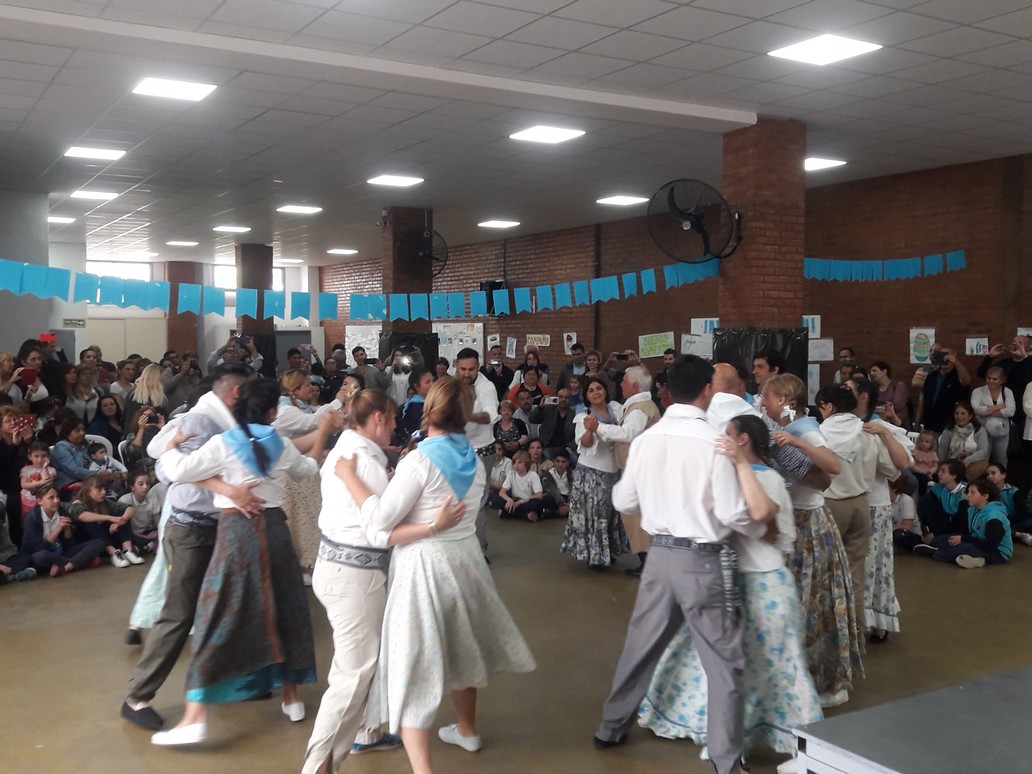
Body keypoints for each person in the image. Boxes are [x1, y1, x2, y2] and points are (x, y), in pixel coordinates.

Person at [335, 375, 536, 773]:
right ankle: (466, 729)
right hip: (466, 561)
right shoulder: (475, 460)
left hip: (423, 567)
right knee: (462, 647)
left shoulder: (419, 461)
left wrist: (349, 477)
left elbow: (380, 522)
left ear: (429, 410)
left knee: (413, 665)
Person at [593, 355, 772, 774]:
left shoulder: (648, 439)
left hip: (659, 558)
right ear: (708, 389)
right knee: (723, 663)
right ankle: (727, 760)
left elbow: (624, 501)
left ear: (668, 390)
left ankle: (610, 727)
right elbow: (731, 512)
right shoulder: (714, 443)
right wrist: (757, 523)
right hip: (703, 562)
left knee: (641, 645)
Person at [148, 378, 332, 746]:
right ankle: (292, 697)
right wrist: (323, 433)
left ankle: (195, 715)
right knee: (285, 608)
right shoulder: (280, 442)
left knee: (217, 613)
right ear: (272, 412)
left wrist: (169, 447)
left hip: (237, 533)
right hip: (276, 531)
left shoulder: (223, 443)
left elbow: (179, 471)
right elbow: (308, 471)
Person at [638, 414, 821, 773]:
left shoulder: (763, 480)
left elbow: (768, 531)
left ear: (742, 441)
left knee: (767, 668)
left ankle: (761, 744)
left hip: (761, 585)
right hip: (740, 582)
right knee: (742, 668)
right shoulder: (743, 477)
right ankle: (735, 741)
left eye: (726, 434)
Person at [302, 388, 465, 771]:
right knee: (353, 673)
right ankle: (317, 765)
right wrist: (432, 526)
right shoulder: (365, 461)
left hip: (339, 567)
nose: (394, 427)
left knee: (361, 666)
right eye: (391, 419)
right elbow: (381, 531)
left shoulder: (348, 448)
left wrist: (392, 481)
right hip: (355, 577)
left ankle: (365, 732)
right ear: (378, 418)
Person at [121, 364, 258, 732]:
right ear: (235, 392)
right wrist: (230, 490)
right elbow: (179, 470)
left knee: (226, 606)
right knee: (179, 614)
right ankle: (137, 697)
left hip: (215, 525)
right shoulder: (201, 421)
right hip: (190, 528)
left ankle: (230, 680)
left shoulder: (223, 420)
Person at [759, 375, 861, 708]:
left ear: (783, 399)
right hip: (796, 519)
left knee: (815, 603)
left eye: (767, 398)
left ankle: (824, 680)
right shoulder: (787, 427)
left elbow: (832, 466)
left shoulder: (805, 429)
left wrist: (797, 442)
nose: (763, 404)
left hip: (810, 523)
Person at [275, 369, 349, 580]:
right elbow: (313, 422)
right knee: (301, 520)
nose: (311, 388)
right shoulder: (285, 411)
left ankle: (308, 562)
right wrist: (337, 401)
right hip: (294, 475)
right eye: (307, 385)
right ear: (295, 389)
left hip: (304, 470)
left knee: (309, 517)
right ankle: (303, 565)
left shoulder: (299, 407)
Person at [593, 365, 660, 577]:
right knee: (635, 515)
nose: (620, 384)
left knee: (636, 517)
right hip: (638, 469)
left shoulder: (640, 409)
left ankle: (647, 562)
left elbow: (628, 432)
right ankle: (647, 560)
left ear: (634, 386)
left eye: (624, 381)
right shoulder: (638, 405)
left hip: (639, 471)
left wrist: (598, 427)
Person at [560, 377, 626, 570]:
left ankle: (607, 551)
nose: (596, 393)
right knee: (595, 515)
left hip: (613, 471)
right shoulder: (583, 415)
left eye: (599, 388)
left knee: (610, 514)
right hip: (591, 473)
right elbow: (585, 444)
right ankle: (595, 555)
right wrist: (590, 430)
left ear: (605, 391)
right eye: (591, 390)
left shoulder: (616, 409)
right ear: (586, 396)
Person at [454, 347, 498, 556]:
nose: (466, 373)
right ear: (456, 366)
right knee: (455, 499)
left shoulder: (486, 387)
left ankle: (479, 551)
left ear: (478, 367)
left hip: (482, 450)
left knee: (477, 502)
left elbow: (489, 416)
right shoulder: (451, 385)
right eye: (463, 369)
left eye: (471, 369)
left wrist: (464, 414)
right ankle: (458, 548)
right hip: (456, 449)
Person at [919, 477, 1012, 569]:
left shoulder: (994, 516)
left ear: (985, 496)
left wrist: (963, 539)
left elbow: (990, 544)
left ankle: (935, 553)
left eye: (972, 492)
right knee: (943, 539)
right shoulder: (972, 510)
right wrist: (960, 538)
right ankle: (976, 559)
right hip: (977, 542)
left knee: (964, 548)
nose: (967, 495)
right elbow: (966, 532)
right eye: (968, 492)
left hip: (996, 552)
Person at [21, 484, 105, 576]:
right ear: (40, 501)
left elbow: (69, 544)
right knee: (40, 557)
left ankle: (67, 567)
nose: (56, 501)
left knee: (99, 543)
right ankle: (83, 562)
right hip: (44, 555)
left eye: (57, 497)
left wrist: (67, 529)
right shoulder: (33, 518)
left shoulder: (61, 511)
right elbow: (37, 550)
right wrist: (58, 529)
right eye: (51, 498)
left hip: (61, 553)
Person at [68, 476, 144, 568]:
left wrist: (121, 520)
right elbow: (81, 515)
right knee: (91, 521)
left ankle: (127, 550)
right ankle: (113, 553)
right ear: (88, 492)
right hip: (90, 542)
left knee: (121, 515)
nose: (104, 492)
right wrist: (110, 518)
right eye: (99, 489)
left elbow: (130, 508)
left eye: (104, 489)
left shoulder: (105, 502)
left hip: (107, 537)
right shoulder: (78, 503)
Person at [914, 343, 970, 433]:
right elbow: (923, 400)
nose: (945, 358)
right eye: (941, 356)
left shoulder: (957, 376)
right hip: (929, 423)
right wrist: (917, 422)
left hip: (949, 425)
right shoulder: (931, 376)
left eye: (947, 356)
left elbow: (966, 381)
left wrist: (956, 363)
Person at [971, 366, 1014, 466]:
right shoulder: (978, 391)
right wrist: (999, 406)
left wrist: (986, 409)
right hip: (983, 433)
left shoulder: (1007, 391)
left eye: (995, 379)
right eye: (988, 378)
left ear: (1002, 380)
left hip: (1002, 434)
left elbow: (1011, 411)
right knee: (981, 462)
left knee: (1001, 463)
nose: (991, 381)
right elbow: (977, 410)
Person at [937, 400, 989, 479]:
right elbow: (943, 453)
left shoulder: (980, 430)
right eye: (957, 413)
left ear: (970, 416)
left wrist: (967, 459)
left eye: (963, 413)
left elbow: (983, 451)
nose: (959, 416)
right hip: (953, 466)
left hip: (974, 465)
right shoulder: (948, 431)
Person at [986, 462, 1032, 544]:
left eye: (993, 473)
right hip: (996, 522)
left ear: (1003, 475)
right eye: (988, 474)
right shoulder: (986, 493)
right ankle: (1018, 535)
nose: (990, 476)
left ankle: (1011, 533)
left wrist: (1008, 519)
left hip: (1013, 522)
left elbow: (1025, 514)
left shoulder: (1014, 492)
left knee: (1029, 522)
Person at [529, 387, 576, 461]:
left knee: (575, 459)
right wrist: (540, 406)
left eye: (566, 397)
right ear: (557, 398)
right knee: (547, 457)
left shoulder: (574, 414)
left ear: (570, 399)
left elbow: (578, 435)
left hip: (567, 448)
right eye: (561, 397)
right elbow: (532, 419)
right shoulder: (549, 410)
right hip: (549, 446)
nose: (563, 399)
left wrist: (570, 447)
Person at [497, 450, 544, 522]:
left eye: (519, 462)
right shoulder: (511, 474)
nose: (516, 465)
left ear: (526, 463)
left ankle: (508, 512)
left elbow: (539, 495)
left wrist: (520, 502)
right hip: (513, 500)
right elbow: (502, 492)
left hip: (526, 501)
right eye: (514, 463)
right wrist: (509, 500)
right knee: (495, 497)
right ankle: (526, 515)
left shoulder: (533, 475)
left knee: (537, 503)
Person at [0, 500, 37, 585]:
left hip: (2, 559)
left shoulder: (2, 527)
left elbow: (9, 548)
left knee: (26, 559)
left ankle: (6, 575)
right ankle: (11, 577)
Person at [868, 361, 911, 429]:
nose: (871, 373)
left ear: (884, 371)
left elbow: (898, 404)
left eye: (874, 371)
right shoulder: (875, 388)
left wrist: (878, 408)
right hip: (881, 425)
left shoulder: (898, 385)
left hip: (899, 425)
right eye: (870, 372)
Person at [19, 441, 56, 516]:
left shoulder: (51, 470)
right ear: (30, 457)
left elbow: (48, 482)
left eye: (44, 456)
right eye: (36, 456)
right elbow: (24, 485)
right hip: (27, 499)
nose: (40, 459)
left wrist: (45, 468)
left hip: (44, 499)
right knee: (27, 516)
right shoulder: (26, 469)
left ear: (48, 456)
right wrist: (39, 483)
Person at [541, 448, 571, 518]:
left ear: (568, 463)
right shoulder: (547, 474)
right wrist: (562, 504)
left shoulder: (572, 473)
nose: (560, 464)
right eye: (558, 461)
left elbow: (574, 489)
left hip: (568, 498)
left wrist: (570, 503)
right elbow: (551, 490)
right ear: (553, 461)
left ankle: (558, 512)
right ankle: (565, 511)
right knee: (546, 499)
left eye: (564, 462)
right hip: (556, 498)